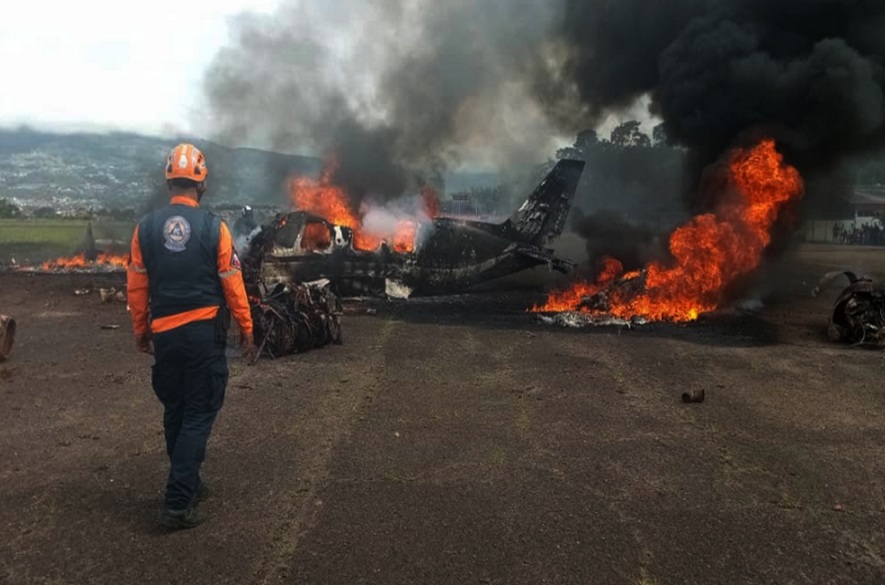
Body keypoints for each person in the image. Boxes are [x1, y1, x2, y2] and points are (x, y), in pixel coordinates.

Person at [127, 143, 257, 529]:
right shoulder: (214, 228)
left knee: (176, 411)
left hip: (165, 337)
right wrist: (247, 328)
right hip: (203, 337)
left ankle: (187, 481)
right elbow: (233, 284)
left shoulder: (145, 229)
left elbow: (136, 287)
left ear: (169, 181)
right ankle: (178, 503)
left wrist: (140, 331)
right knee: (199, 415)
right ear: (201, 185)